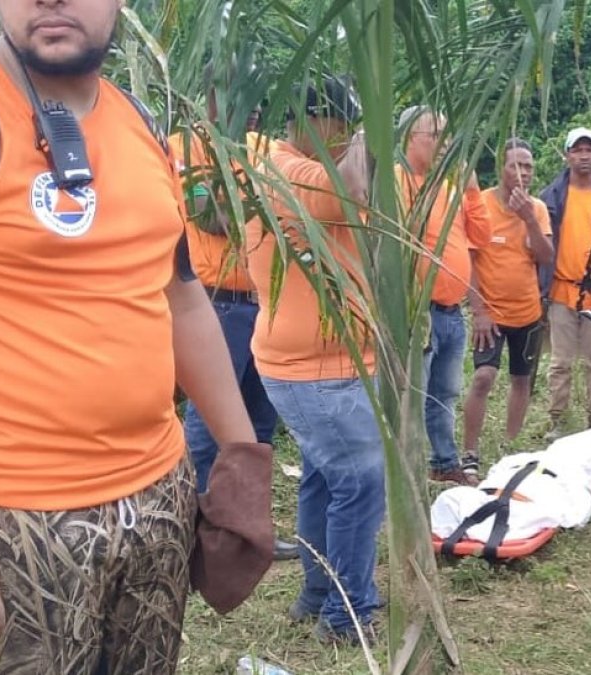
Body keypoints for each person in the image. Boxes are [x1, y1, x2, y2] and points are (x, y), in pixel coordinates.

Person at [0, 1, 265, 670]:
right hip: (19, 518)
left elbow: (181, 294)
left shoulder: (137, 118)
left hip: (160, 497)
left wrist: (242, 455)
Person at [247, 77, 384, 644]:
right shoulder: (285, 168)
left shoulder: (300, 167)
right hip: (313, 370)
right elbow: (353, 182)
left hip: (327, 364)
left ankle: (319, 592)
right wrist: (370, 128)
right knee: (361, 481)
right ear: (308, 122)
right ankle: (347, 614)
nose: (350, 132)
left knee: (324, 483)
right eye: (343, 121)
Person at [171, 67, 299, 561]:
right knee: (206, 427)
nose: (250, 109)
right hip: (216, 304)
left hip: (264, 302)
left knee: (257, 427)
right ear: (211, 100)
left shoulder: (260, 148)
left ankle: (247, 532)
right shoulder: (187, 149)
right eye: (237, 97)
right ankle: (192, 531)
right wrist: (269, 207)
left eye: (254, 100)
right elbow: (211, 217)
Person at [397, 106, 492, 485]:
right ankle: (408, 473)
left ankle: (443, 461)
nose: (445, 144)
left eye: (446, 136)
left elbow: (481, 238)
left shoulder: (449, 188)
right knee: (413, 398)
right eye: (435, 135)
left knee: (445, 393)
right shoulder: (396, 182)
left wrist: (470, 188)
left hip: (452, 312)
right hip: (416, 312)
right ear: (408, 138)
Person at [462, 139, 553, 463]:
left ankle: (510, 446)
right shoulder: (480, 203)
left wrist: (528, 218)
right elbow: (468, 260)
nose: (523, 172)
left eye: (528, 166)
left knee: (522, 378)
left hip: (527, 312)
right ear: (502, 168)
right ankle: (470, 451)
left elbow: (546, 258)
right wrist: (479, 310)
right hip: (491, 314)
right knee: (483, 377)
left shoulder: (538, 209)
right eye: (516, 164)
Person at [538, 127, 591, 438]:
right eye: (578, 150)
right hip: (561, 288)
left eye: (590, 150)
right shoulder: (551, 196)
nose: (584, 156)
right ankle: (558, 420)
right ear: (567, 155)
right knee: (560, 362)